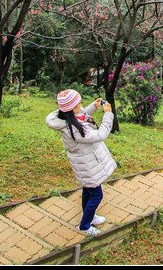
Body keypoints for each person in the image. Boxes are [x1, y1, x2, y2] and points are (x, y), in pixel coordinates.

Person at [46, 89, 116, 237]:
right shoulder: (75, 130)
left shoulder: (69, 118)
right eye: (79, 104)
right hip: (88, 165)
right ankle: (84, 226)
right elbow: (101, 134)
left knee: (88, 191)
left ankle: (90, 216)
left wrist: (94, 106)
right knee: (97, 195)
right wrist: (108, 114)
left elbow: (82, 115)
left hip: (86, 162)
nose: (82, 105)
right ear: (71, 109)